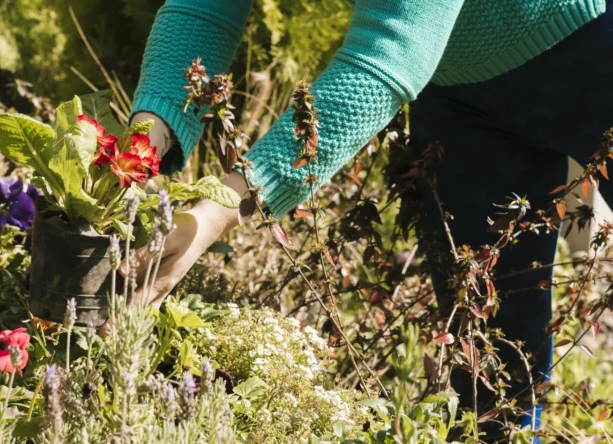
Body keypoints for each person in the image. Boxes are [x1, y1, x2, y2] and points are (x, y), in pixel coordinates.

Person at [127, 0, 612, 438]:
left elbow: (383, 57)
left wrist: (215, 214)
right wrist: (133, 153)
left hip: (592, 42)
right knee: (491, 373)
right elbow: (205, 8)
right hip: (458, 90)